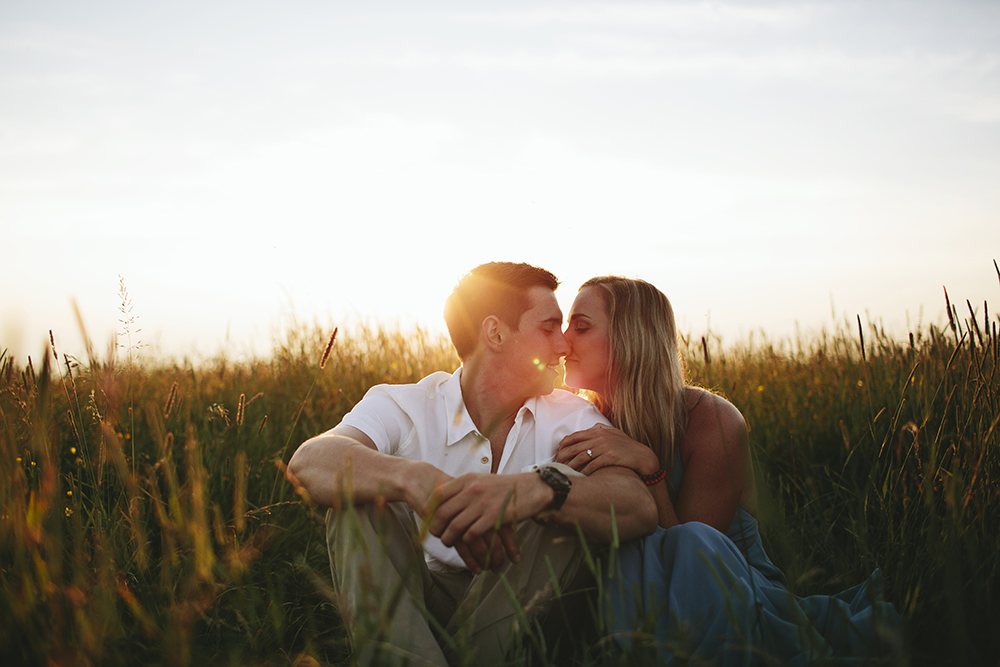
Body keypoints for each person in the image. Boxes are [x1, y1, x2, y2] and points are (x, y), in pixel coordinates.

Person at [287, 262, 657, 667]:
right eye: (548, 328)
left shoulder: (573, 415)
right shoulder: (404, 404)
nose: (563, 345)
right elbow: (308, 461)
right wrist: (416, 480)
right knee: (357, 496)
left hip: (520, 606)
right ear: (495, 333)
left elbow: (637, 506)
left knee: (564, 489)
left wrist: (535, 489)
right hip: (417, 603)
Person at [555, 276, 901, 665]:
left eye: (580, 327)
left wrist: (650, 470)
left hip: (727, 591)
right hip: (628, 587)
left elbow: (687, 557)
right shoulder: (581, 421)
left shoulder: (713, 421)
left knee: (692, 542)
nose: (564, 340)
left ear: (631, 338)